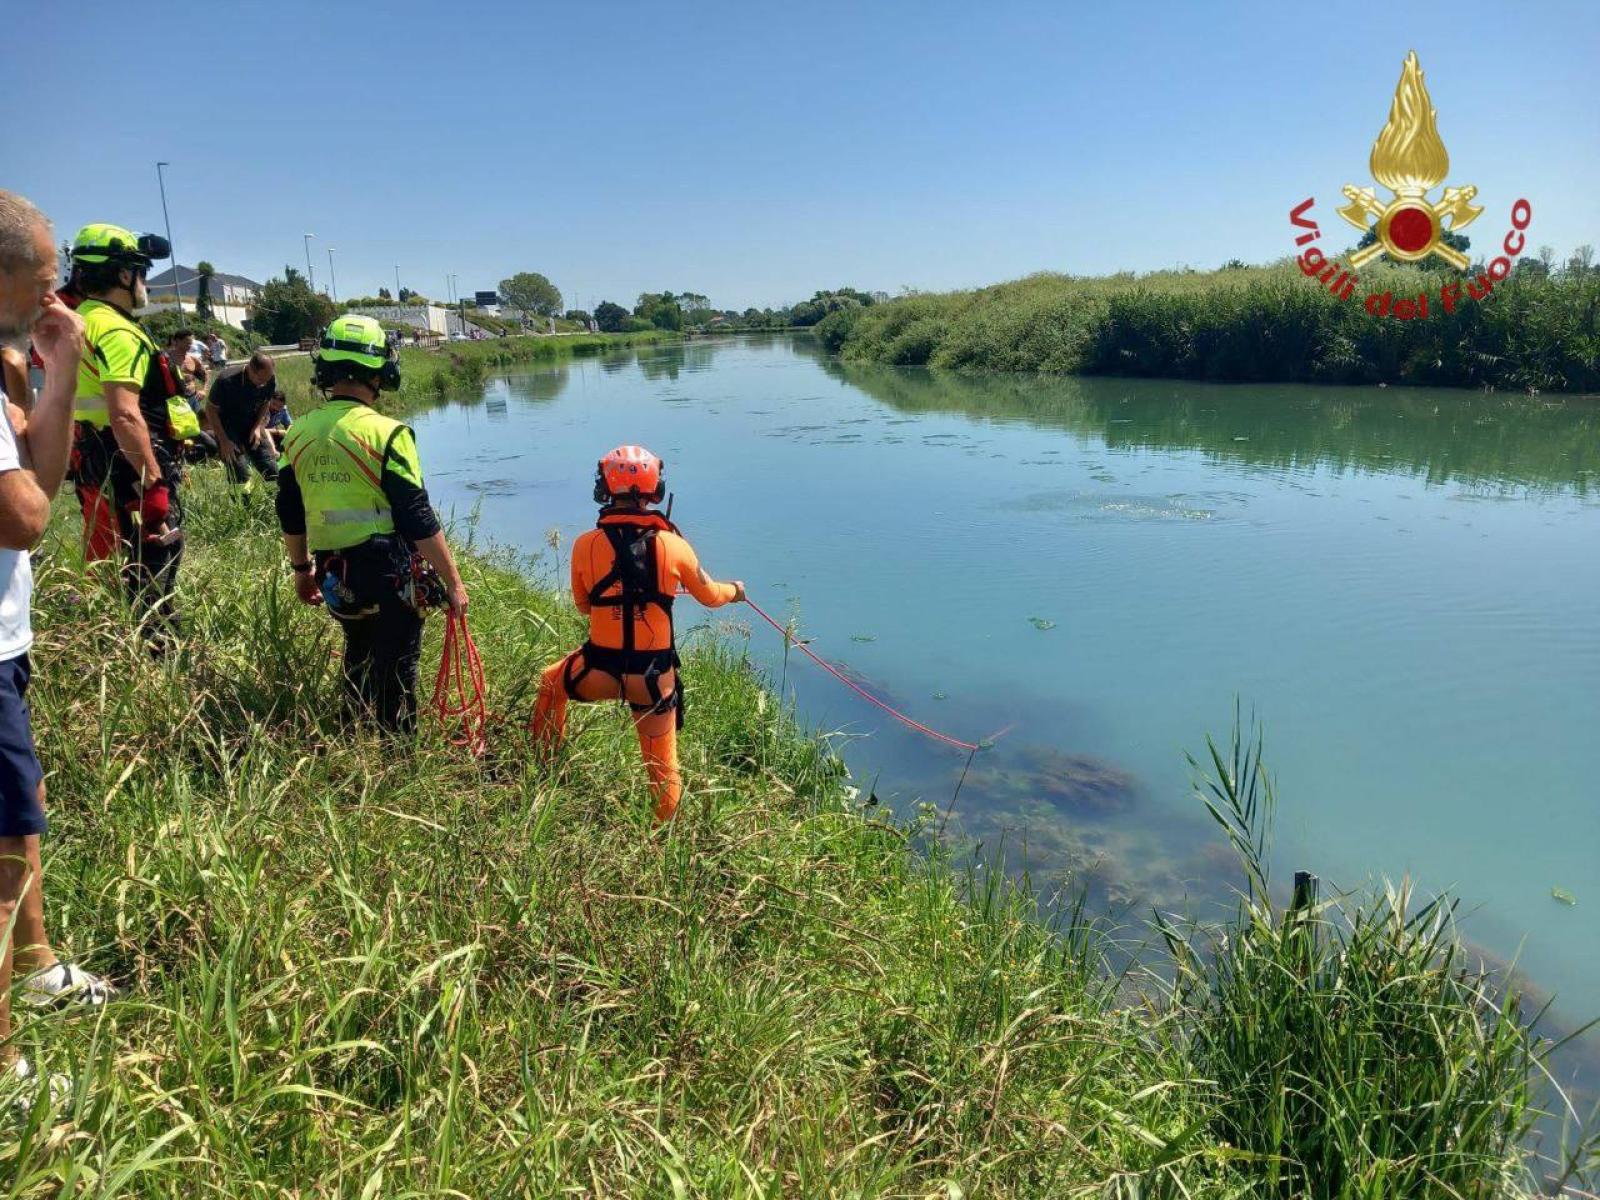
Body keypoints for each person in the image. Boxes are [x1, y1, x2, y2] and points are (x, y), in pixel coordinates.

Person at [0, 191, 114, 1093]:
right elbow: (28, 515)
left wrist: (56, 373)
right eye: (42, 278)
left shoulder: (8, 361)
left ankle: (37, 970)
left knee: (20, 805)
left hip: (6, 637)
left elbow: (35, 469)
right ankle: (7, 1069)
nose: (55, 294)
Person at [530, 446, 745, 823]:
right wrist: (735, 591)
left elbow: (584, 606)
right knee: (663, 768)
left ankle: (544, 773)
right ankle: (666, 838)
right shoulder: (674, 545)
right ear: (654, 490)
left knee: (550, 684)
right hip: (652, 680)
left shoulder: (584, 545)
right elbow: (711, 596)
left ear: (605, 489)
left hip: (598, 670)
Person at [275, 315, 467, 731]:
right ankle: (396, 758)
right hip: (386, 569)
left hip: (332, 570)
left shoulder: (298, 433)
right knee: (397, 664)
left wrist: (301, 569)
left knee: (357, 650)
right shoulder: (389, 434)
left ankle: (350, 735)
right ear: (379, 371)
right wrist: (452, 581)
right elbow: (416, 515)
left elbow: (289, 510)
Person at [67, 224, 196, 641]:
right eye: (140, 272)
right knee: (155, 568)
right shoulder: (119, 330)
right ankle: (162, 662)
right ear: (123, 275)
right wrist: (154, 483)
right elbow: (125, 414)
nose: (143, 282)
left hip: (95, 457)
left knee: (115, 560)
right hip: (128, 466)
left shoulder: (79, 321)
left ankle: (113, 642)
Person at [206, 351, 278, 484]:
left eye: (268, 379)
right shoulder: (226, 380)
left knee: (271, 469)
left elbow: (266, 401)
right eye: (261, 380)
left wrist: (257, 427)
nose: (264, 384)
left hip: (251, 423)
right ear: (251, 370)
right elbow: (210, 410)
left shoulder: (269, 379)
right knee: (240, 473)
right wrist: (224, 440)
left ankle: (274, 501)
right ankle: (243, 502)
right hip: (227, 428)